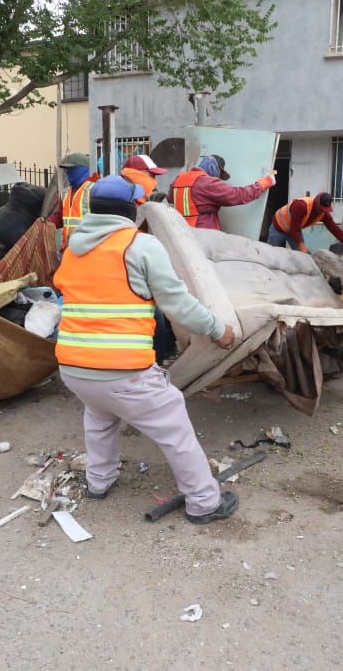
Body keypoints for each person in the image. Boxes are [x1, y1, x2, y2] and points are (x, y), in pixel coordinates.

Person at [53, 174, 240, 524]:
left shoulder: (72, 251)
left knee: (100, 417)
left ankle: (98, 481)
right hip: (124, 370)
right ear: (130, 210)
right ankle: (204, 502)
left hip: (74, 368)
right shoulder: (140, 246)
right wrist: (219, 331)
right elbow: (179, 304)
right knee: (174, 427)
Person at [168, 154, 274, 229]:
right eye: (219, 173)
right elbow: (238, 195)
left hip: (181, 231)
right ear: (213, 167)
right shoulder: (207, 183)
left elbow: (170, 199)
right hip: (202, 234)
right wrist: (262, 184)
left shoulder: (178, 180)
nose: (218, 177)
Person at [267, 192, 343, 253]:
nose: (322, 212)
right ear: (317, 203)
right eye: (321, 209)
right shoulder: (301, 206)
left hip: (294, 230)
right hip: (278, 227)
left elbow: (335, 229)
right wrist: (301, 245)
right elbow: (294, 229)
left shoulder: (324, 214)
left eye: (325, 210)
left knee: (303, 256)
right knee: (270, 253)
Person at [47, 152, 96, 248]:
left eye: (71, 169)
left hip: (87, 247)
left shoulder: (93, 190)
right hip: (68, 248)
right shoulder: (65, 193)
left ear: (82, 169)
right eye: (66, 170)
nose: (67, 172)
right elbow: (60, 217)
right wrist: (47, 223)